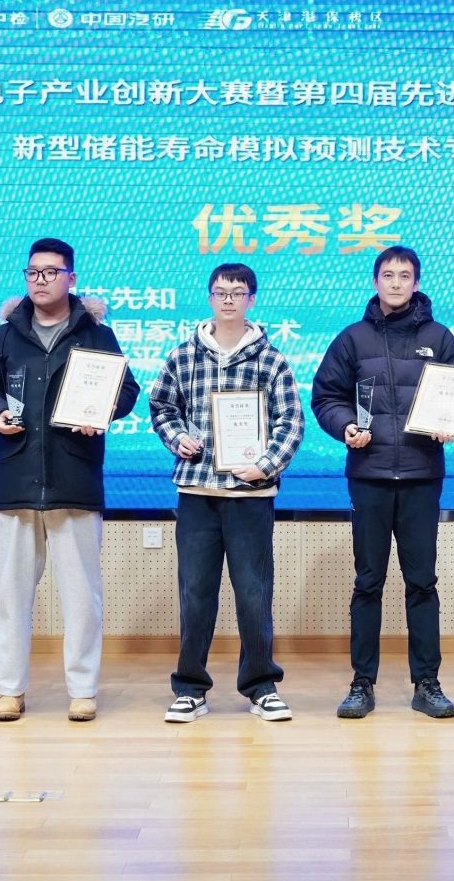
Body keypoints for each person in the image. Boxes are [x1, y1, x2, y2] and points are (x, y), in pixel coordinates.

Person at [0, 238, 140, 723]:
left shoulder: (96, 333)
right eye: (32, 272)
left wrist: (100, 413)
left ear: (71, 278)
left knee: (82, 595)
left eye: (50, 272)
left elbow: (126, 390)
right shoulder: (6, 334)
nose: (40, 280)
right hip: (18, 477)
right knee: (12, 594)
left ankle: (82, 689)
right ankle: (10, 690)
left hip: (74, 476)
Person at [310, 246, 454, 720]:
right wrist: (345, 427)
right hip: (369, 475)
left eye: (405, 276)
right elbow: (326, 396)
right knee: (368, 583)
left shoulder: (439, 337)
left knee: (422, 582)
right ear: (375, 281)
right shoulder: (352, 339)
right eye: (388, 275)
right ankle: (362, 683)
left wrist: (450, 422)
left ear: (416, 283)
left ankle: (427, 683)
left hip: (421, 475)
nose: (396, 283)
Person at [149, 263, 305, 723]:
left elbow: (291, 421)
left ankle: (261, 686)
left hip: (251, 496)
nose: (229, 299)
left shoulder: (272, 359)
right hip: (197, 491)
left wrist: (265, 465)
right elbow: (161, 405)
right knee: (195, 593)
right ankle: (190, 688)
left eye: (238, 292)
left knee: (254, 593)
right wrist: (177, 437)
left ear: (252, 299)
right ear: (210, 297)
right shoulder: (183, 355)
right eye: (221, 292)